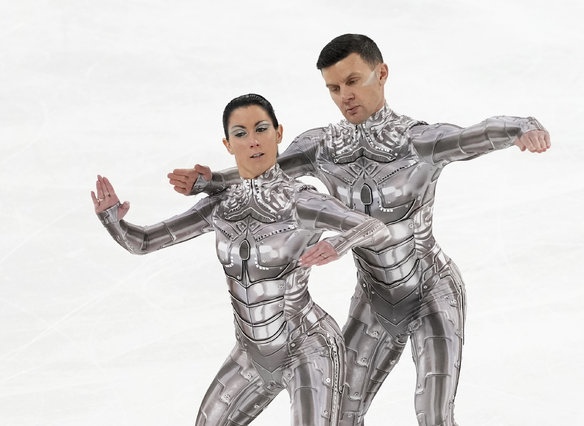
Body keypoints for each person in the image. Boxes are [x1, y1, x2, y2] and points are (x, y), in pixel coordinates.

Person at [168, 34, 551, 426]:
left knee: (434, 415)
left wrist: (523, 126)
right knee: (343, 416)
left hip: (431, 290)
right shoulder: (323, 148)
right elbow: (264, 172)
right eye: (334, 88)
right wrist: (212, 180)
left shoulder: (417, 142)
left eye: (353, 82)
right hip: (374, 299)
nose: (344, 96)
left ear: (381, 74)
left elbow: (474, 135)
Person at [92, 93, 390, 426]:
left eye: (261, 129)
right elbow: (143, 242)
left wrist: (340, 243)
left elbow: (374, 227)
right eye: (240, 134)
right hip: (251, 353)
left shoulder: (301, 201)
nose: (253, 141)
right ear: (227, 144)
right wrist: (112, 220)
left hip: (309, 346)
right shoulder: (220, 206)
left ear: (278, 133)